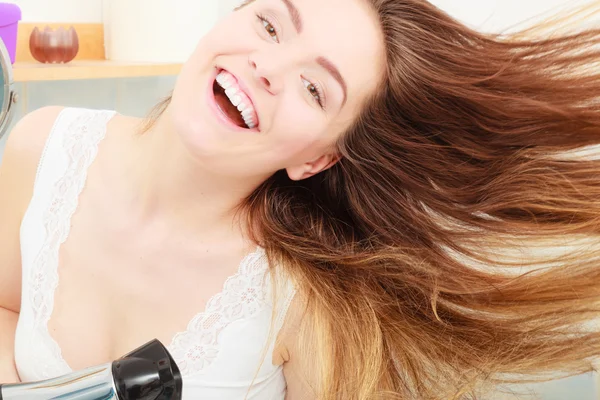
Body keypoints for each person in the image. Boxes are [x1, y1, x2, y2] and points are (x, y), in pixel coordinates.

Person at [1, 0, 600, 398]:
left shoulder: (305, 297)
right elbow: (5, 311)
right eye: (270, 24)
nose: (267, 67)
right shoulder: (43, 145)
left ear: (316, 158)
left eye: (315, 89)